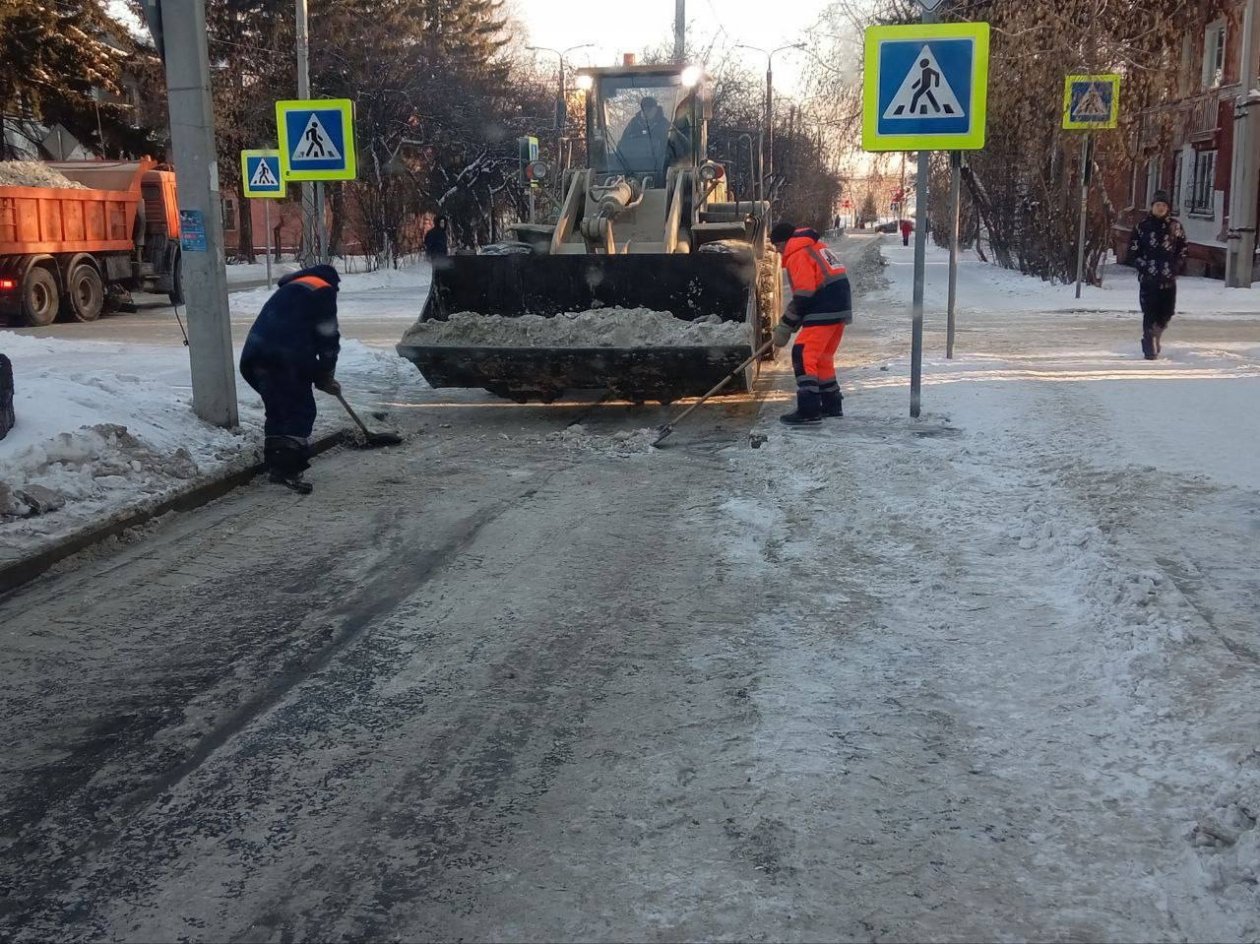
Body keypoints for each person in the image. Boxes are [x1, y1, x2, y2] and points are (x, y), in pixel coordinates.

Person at [239, 265, 341, 494]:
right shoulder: (323, 289)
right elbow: (327, 337)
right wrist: (325, 373)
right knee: (299, 410)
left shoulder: (290, 289)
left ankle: (277, 464)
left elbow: (293, 333)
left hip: (255, 358)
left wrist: (319, 374)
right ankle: (287, 468)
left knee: (279, 409)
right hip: (284, 360)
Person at [769, 222, 853, 425]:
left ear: (783, 242)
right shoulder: (815, 246)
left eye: (777, 246)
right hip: (838, 307)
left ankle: (809, 409)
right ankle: (831, 404)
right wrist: (793, 322)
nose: (779, 252)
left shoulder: (798, 253)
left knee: (802, 353)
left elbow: (804, 294)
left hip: (824, 307)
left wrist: (786, 324)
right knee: (822, 358)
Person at [1128, 190, 1187, 360]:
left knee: (1166, 312)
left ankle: (1156, 334)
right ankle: (1149, 345)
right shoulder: (1142, 227)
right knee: (1150, 311)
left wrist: (1177, 265)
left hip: (1169, 278)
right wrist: (1143, 266)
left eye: (1163, 205)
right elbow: (1133, 251)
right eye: (1157, 205)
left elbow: (1183, 248)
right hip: (1149, 278)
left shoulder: (1175, 227)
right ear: (1152, 207)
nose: (1160, 208)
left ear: (1168, 208)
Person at [616, 96, 672, 175]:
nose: (646, 112)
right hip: (632, 166)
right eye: (644, 109)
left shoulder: (664, 124)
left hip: (660, 168)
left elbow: (671, 146)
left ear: (655, 109)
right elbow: (623, 143)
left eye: (649, 109)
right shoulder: (633, 124)